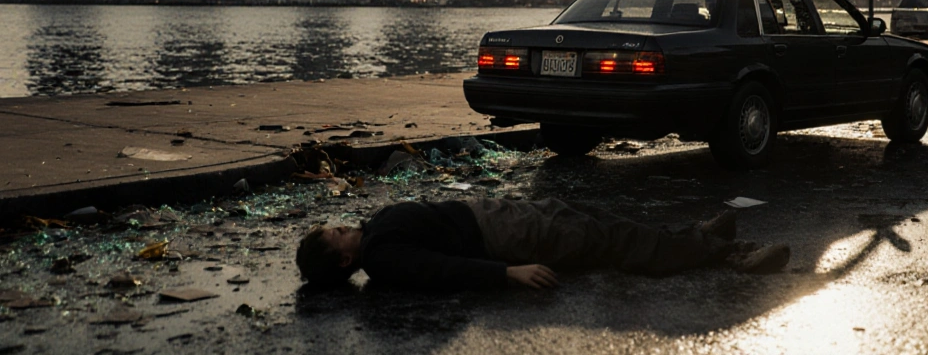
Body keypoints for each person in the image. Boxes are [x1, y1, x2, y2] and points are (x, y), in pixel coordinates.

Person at [296, 197, 790, 290]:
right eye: (334, 235)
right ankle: (728, 254)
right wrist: (508, 273)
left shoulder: (375, 231)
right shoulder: (383, 256)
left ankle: (693, 236)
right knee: (603, 240)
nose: (339, 226)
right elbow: (442, 269)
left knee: (594, 218)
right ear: (343, 260)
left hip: (497, 213)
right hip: (501, 235)